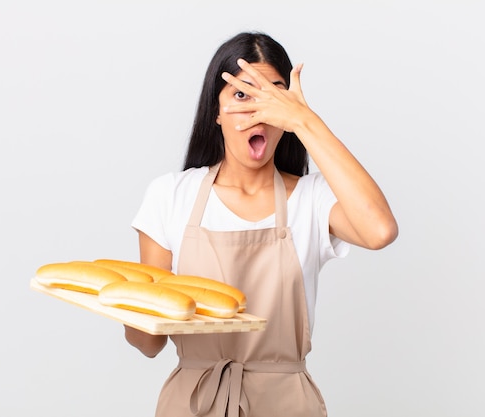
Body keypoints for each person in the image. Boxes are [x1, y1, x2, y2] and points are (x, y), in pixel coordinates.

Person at [127, 32, 398, 417]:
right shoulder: (171, 196)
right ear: (215, 112)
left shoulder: (312, 198)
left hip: (286, 404)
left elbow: (380, 230)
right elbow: (148, 343)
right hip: (193, 404)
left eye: (274, 96)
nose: (260, 112)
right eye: (242, 95)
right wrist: (128, 310)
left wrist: (305, 120)